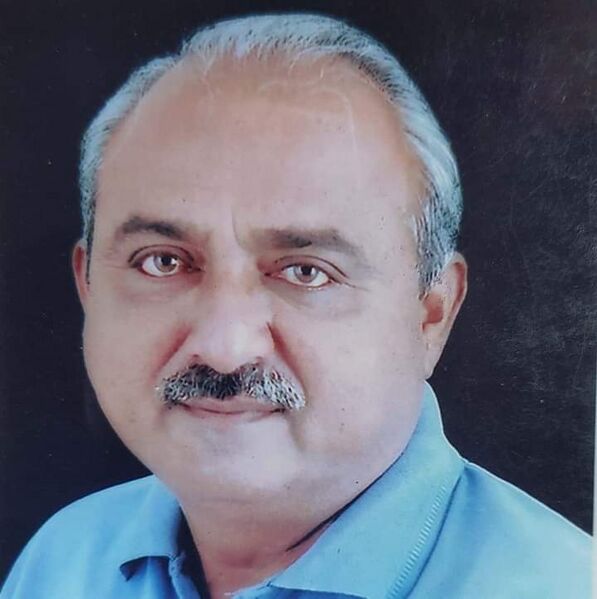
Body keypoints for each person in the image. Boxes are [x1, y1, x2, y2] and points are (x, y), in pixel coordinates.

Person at [2, 13, 591, 599]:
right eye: (162, 262)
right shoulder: (63, 562)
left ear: (430, 315)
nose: (225, 347)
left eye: (307, 272)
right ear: (88, 288)